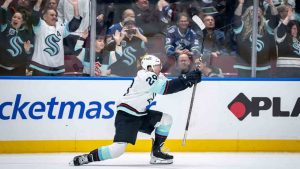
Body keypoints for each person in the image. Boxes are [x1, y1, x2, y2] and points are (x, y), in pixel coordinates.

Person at [70, 54, 202, 166]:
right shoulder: (144, 76)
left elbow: (173, 86)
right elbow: (167, 88)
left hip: (141, 114)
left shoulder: (157, 76)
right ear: (149, 67)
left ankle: (156, 154)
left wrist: (189, 80)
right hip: (127, 115)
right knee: (118, 150)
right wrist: (187, 79)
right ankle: (88, 157)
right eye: (157, 65)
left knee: (166, 120)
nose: (160, 68)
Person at [29, 0, 82, 76]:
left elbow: (74, 25)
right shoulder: (40, 26)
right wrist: (39, 1)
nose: (54, 17)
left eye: (55, 15)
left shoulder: (60, 28)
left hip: (57, 69)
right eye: (51, 15)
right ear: (44, 17)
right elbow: (34, 16)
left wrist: (75, 6)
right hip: (40, 67)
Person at [232, 0, 277, 77]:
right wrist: (241, 3)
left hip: (263, 66)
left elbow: (275, 19)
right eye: (253, 11)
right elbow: (236, 18)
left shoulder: (266, 26)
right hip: (244, 66)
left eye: (259, 11)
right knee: (245, 88)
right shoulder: (242, 26)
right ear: (247, 13)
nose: (257, 12)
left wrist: (271, 4)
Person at [0, 0, 33, 76]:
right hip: (2, 67)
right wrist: (6, 3)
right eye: (14, 17)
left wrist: (27, 51)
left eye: (19, 18)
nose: (15, 19)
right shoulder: (5, 27)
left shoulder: (26, 34)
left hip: (19, 68)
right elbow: (2, 16)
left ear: (23, 22)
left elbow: (29, 53)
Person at [275, 7, 300, 77]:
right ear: (289, 28)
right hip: (285, 71)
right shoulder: (283, 37)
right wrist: (288, 17)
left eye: (297, 29)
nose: (296, 31)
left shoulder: (299, 40)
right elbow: (281, 28)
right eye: (294, 28)